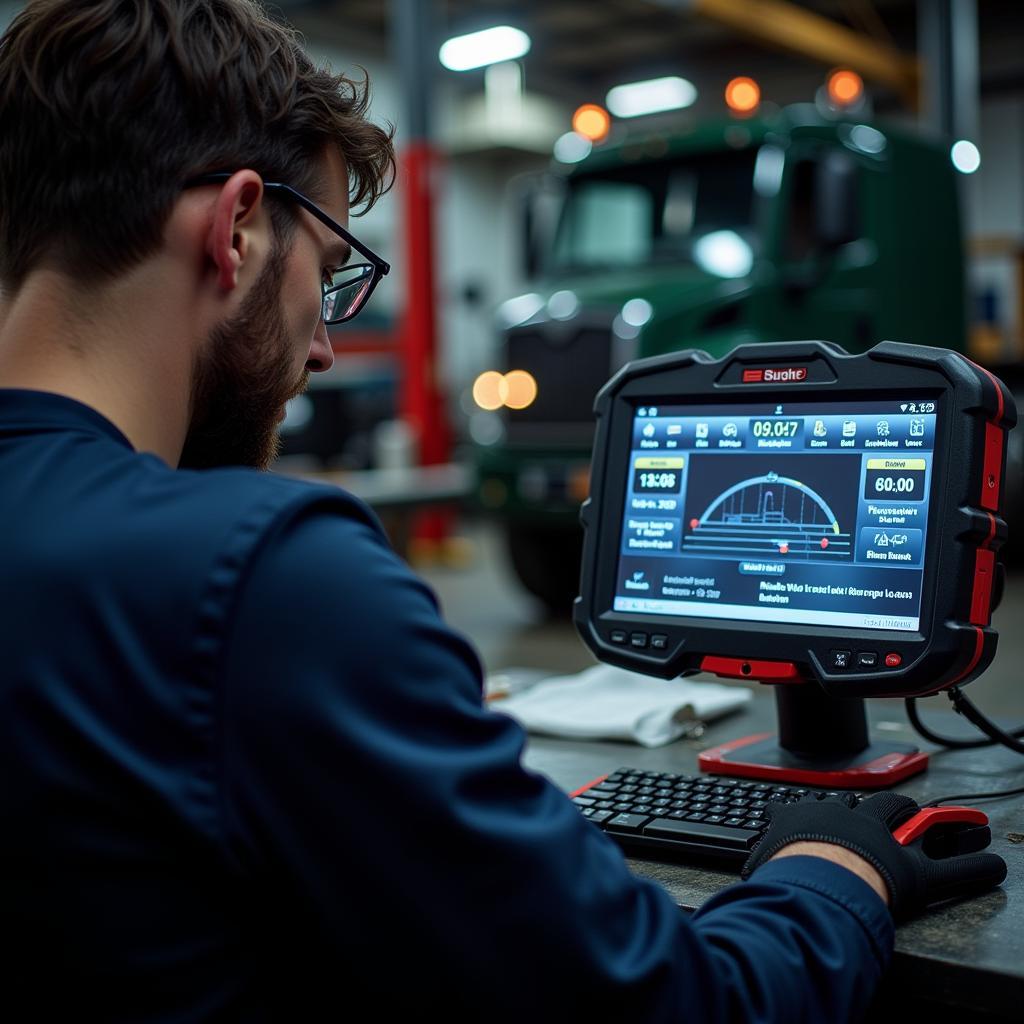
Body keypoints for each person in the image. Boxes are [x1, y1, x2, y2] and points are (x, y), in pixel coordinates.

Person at [0, 2, 1004, 1021]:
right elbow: (680, 1006)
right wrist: (834, 870)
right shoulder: (264, 577)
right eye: (333, 274)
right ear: (239, 230)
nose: (321, 351)